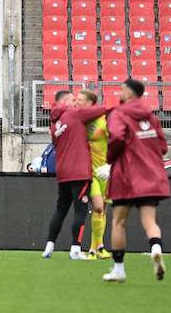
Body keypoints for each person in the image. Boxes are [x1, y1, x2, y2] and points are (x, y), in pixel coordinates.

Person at [99, 78, 169, 283]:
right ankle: (156, 248)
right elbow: (163, 147)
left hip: (126, 175)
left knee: (119, 222)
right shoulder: (151, 117)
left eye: (122, 90)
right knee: (150, 221)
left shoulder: (119, 113)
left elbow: (117, 137)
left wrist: (110, 159)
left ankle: (119, 269)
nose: (120, 93)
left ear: (129, 93)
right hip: (149, 175)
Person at [41, 90, 108, 260]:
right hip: (79, 172)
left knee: (60, 210)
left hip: (63, 172)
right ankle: (75, 249)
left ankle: (49, 247)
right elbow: (99, 110)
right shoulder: (74, 113)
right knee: (80, 211)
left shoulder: (54, 123)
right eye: (73, 99)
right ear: (64, 100)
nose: (76, 102)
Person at [77, 89, 111, 259]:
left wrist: (111, 166)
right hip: (90, 173)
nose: (77, 101)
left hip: (105, 171)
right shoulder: (80, 120)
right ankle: (100, 247)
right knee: (97, 206)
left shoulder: (104, 121)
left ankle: (94, 248)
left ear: (90, 102)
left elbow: (117, 144)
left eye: (80, 99)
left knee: (102, 211)